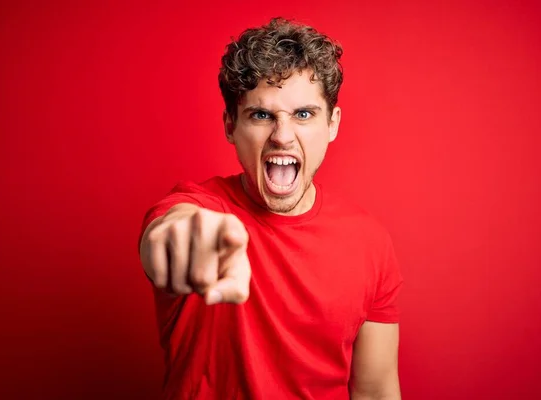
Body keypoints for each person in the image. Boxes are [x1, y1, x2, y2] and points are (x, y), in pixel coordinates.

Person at [139, 17, 403, 400]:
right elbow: (166, 232)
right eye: (261, 115)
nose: (282, 135)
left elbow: (376, 391)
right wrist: (182, 238)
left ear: (332, 123)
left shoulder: (370, 243)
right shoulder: (198, 207)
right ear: (230, 125)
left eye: (304, 114)